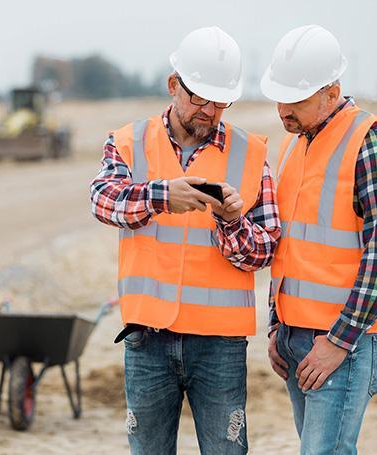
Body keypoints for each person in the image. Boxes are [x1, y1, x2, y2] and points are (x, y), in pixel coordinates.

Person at [89, 26, 280, 454]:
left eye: (220, 101)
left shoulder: (251, 154)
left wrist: (231, 222)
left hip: (219, 345)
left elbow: (266, 248)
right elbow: (101, 200)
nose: (209, 111)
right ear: (174, 85)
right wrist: (161, 195)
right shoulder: (128, 142)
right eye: (199, 97)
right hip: (147, 337)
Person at [260, 25, 377, 454]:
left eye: (296, 99)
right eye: (279, 96)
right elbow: (292, 247)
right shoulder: (299, 144)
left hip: (345, 339)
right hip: (297, 337)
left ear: (332, 91)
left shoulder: (373, 142)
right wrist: (277, 325)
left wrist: (339, 341)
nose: (283, 110)